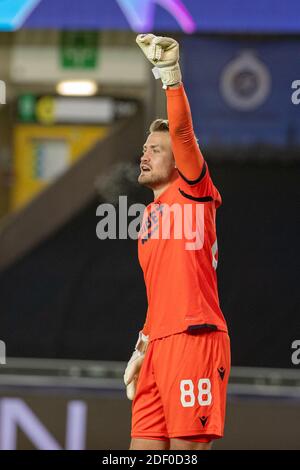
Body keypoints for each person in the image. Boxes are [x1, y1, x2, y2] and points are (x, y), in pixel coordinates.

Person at [124, 34, 231, 451]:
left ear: (181, 161)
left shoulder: (194, 190)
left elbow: (183, 132)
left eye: (155, 149)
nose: (144, 155)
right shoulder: (148, 218)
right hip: (158, 346)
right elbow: (160, 293)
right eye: (144, 148)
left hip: (194, 339)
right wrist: (143, 343)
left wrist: (169, 76)